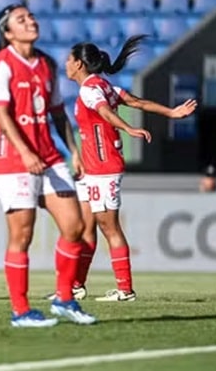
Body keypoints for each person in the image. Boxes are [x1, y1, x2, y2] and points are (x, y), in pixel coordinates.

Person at [47, 35, 197, 303]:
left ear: (80, 64)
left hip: (103, 168)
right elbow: (138, 102)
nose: (66, 64)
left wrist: (126, 127)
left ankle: (125, 289)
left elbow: (104, 112)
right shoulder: (105, 86)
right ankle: (76, 285)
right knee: (84, 228)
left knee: (110, 228)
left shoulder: (91, 91)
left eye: (70, 59)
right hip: (92, 169)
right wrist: (171, 113)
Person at [0, 4, 96, 327]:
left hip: (48, 156)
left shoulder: (46, 64)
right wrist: (25, 152)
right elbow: (2, 115)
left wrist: (74, 151)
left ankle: (64, 299)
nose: (31, 21)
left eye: (31, 16)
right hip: (14, 160)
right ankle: (20, 311)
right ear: (8, 33)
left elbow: (58, 113)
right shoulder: (0, 65)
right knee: (22, 234)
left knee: (75, 226)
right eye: (21, 19)